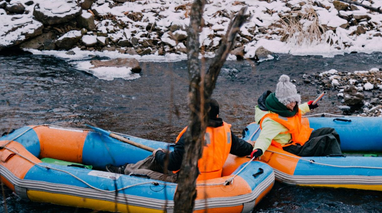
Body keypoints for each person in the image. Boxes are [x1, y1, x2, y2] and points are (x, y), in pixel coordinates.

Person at [106, 99, 253, 181]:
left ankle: (126, 171)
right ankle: (127, 168)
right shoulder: (226, 132)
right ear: (216, 114)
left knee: (153, 163)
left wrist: (158, 154)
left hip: (187, 182)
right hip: (213, 179)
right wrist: (254, 147)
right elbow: (244, 149)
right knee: (162, 153)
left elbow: (173, 164)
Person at [251, 75, 342, 159]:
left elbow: (298, 111)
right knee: (328, 140)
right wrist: (258, 149)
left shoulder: (286, 109)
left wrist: (308, 106)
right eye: (290, 101)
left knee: (330, 131)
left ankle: (332, 155)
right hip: (290, 148)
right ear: (283, 102)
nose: (294, 104)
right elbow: (264, 138)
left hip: (298, 138)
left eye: (295, 101)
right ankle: (338, 164)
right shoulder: (272, 122)